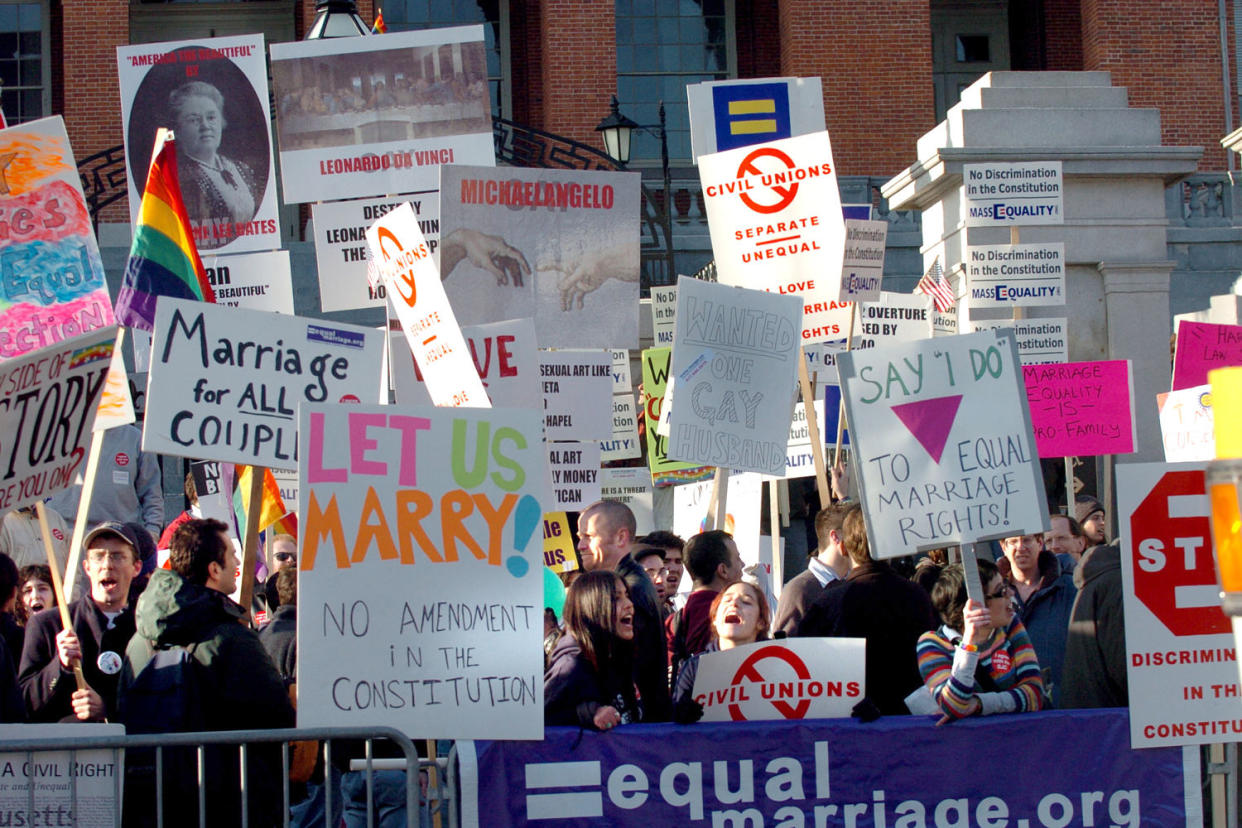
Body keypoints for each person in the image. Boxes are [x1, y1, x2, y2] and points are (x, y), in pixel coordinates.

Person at [119, 518, 293, 827]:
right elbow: (274, 713)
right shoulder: (231, 638)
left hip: (156, 798)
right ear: (214, 569)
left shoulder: (138, 639)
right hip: (227, 800)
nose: (239, 560)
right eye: (231, 553)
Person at [797, 505, 937, 716]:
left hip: (848, 726)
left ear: (843, 548)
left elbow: (805, 672)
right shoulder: (917, 596)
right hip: (911, 723)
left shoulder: (828, 602)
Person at [19, 522, 141, 722]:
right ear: (87, 567)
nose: (107, 564)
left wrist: (108, 709)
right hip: (64, 750)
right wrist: (60, 666)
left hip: (132, 751)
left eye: (118, 556)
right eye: (98, 556)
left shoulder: (148, 627)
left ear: (136, 567)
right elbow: (24, 703)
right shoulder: (48, 624)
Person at [914, 560, 1045, 721]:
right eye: (1001, 591)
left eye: (1006, 585)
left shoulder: (1010, 624)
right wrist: (970, 643)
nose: (1011, 593)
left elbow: (1035, 694)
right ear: (974, 606)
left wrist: (979, 703)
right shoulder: (932, 644)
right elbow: (953, 706)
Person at [576, 500, 670, 721]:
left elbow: (622, 667)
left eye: (588, 537)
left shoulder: (631, 590)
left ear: (621, 537)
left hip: (635, 732)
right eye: (580, 538)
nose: (580, 546)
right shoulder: (626, 583)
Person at [168, 80, 259, 250]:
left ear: (221, 122)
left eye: (211, 117)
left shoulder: (241, 169)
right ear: (178, 130)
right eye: (194, 120)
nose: (205, 126)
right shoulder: (179, 179)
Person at [544, 570, 641, 730]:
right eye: (616, 598)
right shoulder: (571, 666)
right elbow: (541, 721)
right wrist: (588, 713)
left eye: (627, 595)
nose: (629, 604)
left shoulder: (617, 653)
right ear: (591, 608)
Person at [672, 581, 771, 721]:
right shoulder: (694, 668)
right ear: (714, 619)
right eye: (727, 600)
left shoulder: (776, 665)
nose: (734, 604)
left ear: (760, 622)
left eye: (746, 602)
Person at [46, 425, 164, 542]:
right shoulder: (56, 434)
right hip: (64, 534)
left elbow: (152, 493)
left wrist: (152, 531)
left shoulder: (136, 439)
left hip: (119, 536)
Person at [997, 531, 1076, 705]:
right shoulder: (991, 595)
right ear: (1003, 547)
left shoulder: (1069, 589)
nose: (1020, 547)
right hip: (1008, 708)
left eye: (1026, 540)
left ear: (1040, 543)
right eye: (1013, 541)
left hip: (1060, 704)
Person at [666, 530, 743, 692]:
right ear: (723, 570)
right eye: (737, 558)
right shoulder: (726, 619)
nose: (742, 565)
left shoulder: (673, 620)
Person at [1061, 539, 1128, 708]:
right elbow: (1123, 664)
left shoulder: (1102, 578)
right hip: (1110, 718)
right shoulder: (1118, 582)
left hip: (1092, 716)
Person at [772, 502, 852, 636]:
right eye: (853, 532)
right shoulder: (799, 590)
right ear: (835, 537)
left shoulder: (855, 583)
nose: (860, 539)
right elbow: (786, 651)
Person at [0, 505, 69, 571]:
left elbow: (73, 565)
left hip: (62, 582)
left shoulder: (54, 516)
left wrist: (74, 583)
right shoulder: (3, 523)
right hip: (23, 582)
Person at [636, 530, 685, 612]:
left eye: (678, 561)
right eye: (666, 561)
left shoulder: (676, 608)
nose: (674, 569)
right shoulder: (635, 613)